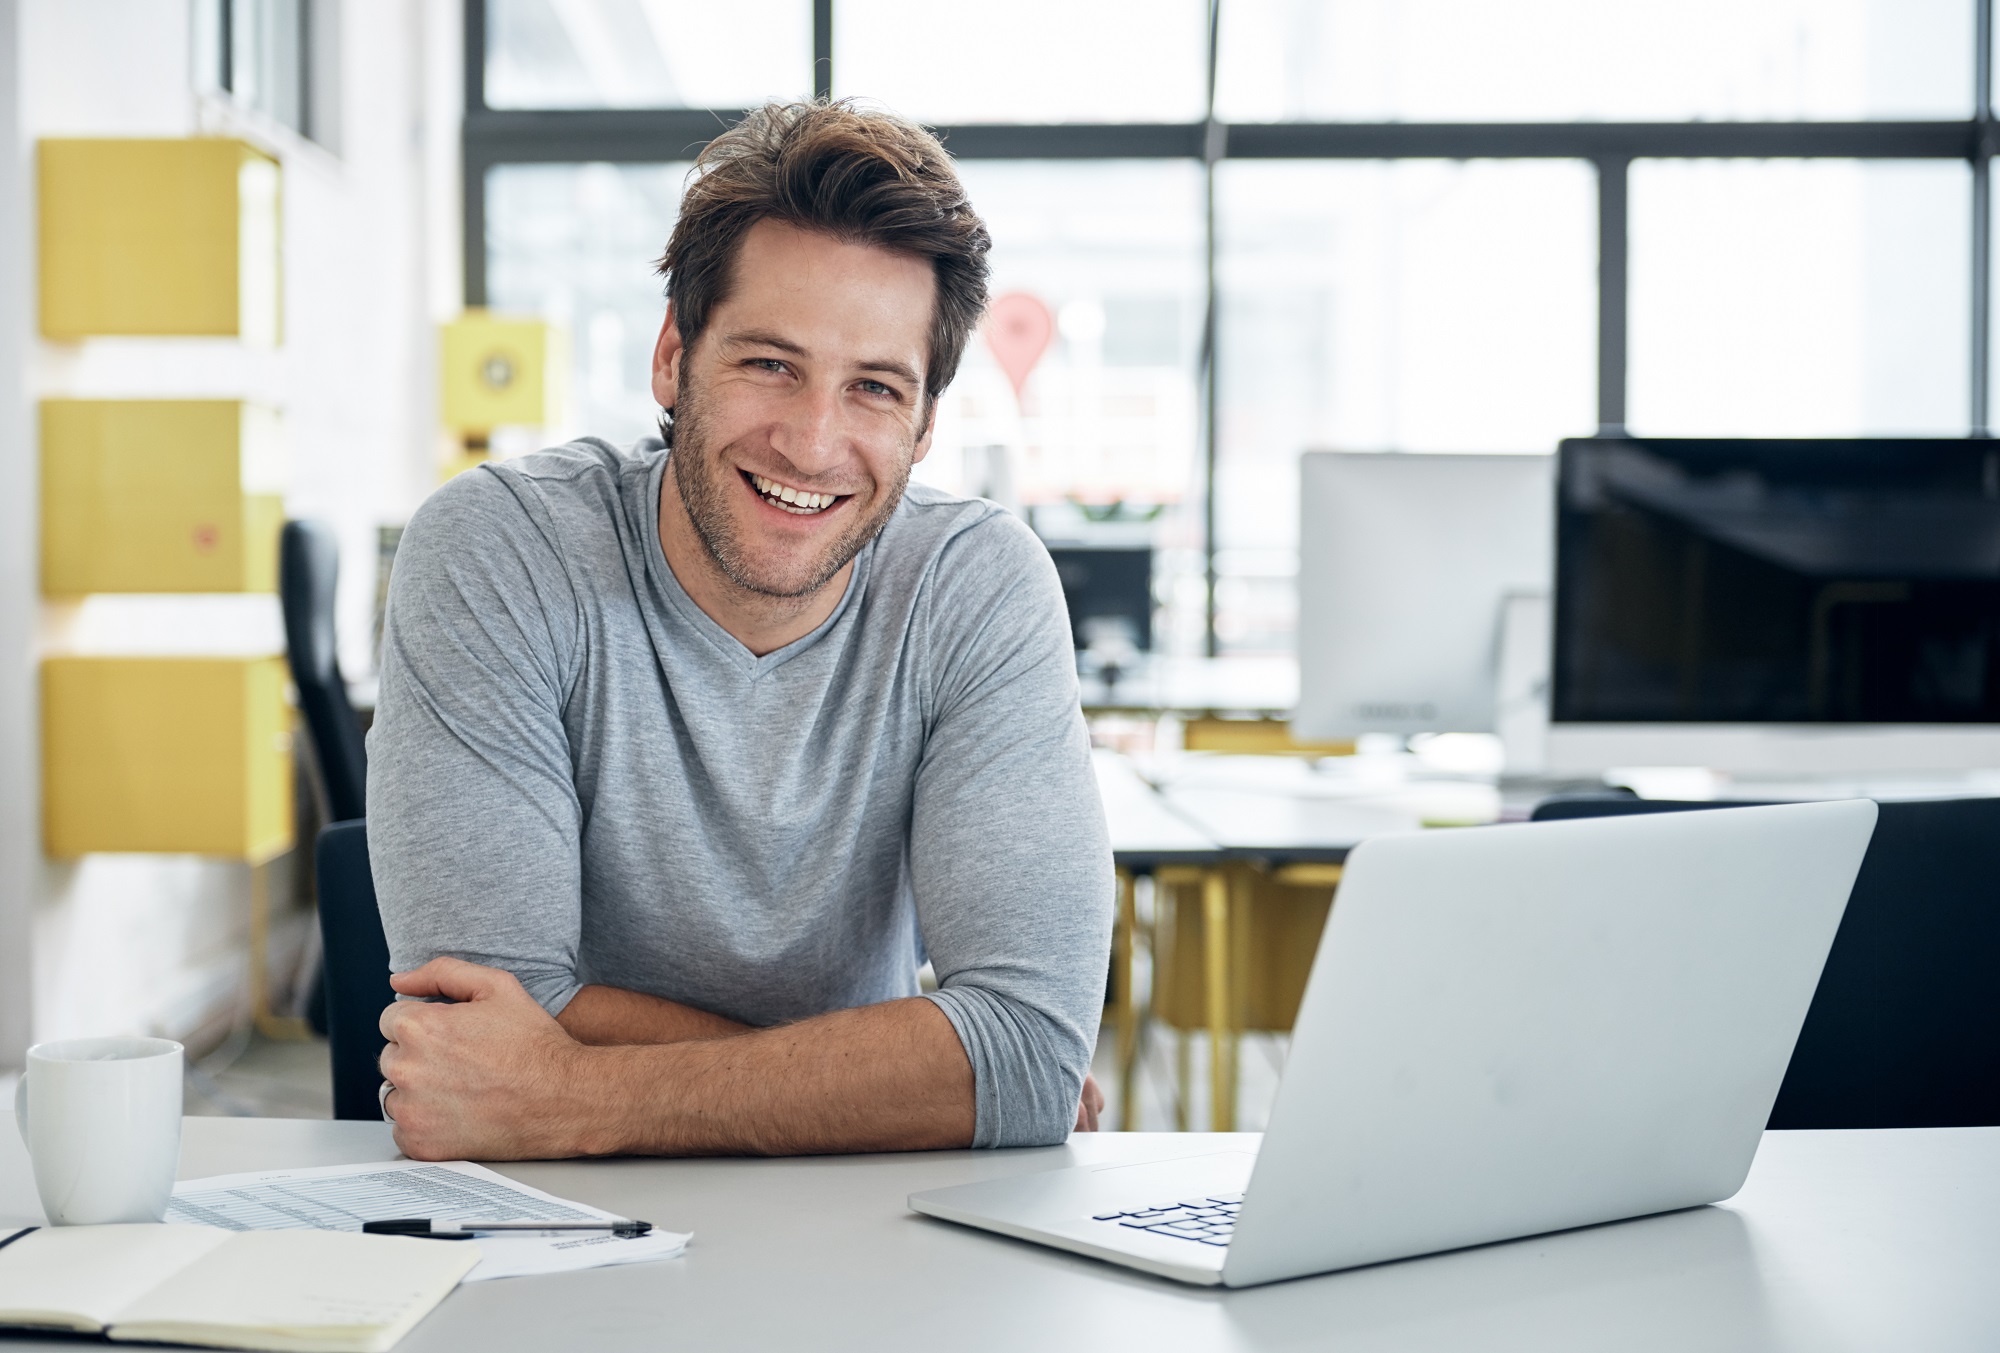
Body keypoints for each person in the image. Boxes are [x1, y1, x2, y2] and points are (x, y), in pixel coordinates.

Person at [368, 100, 1112, 1161]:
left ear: (924, 424)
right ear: (675, 357)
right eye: (769, 363)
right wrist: (926, 1075)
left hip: (858, 1233)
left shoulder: (975, 586)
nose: (812, 443)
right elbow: (494, 1015)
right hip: (543, 1219)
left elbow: (1027, 1057)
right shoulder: (502, 549)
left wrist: (579, 1094)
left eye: (872, 388)